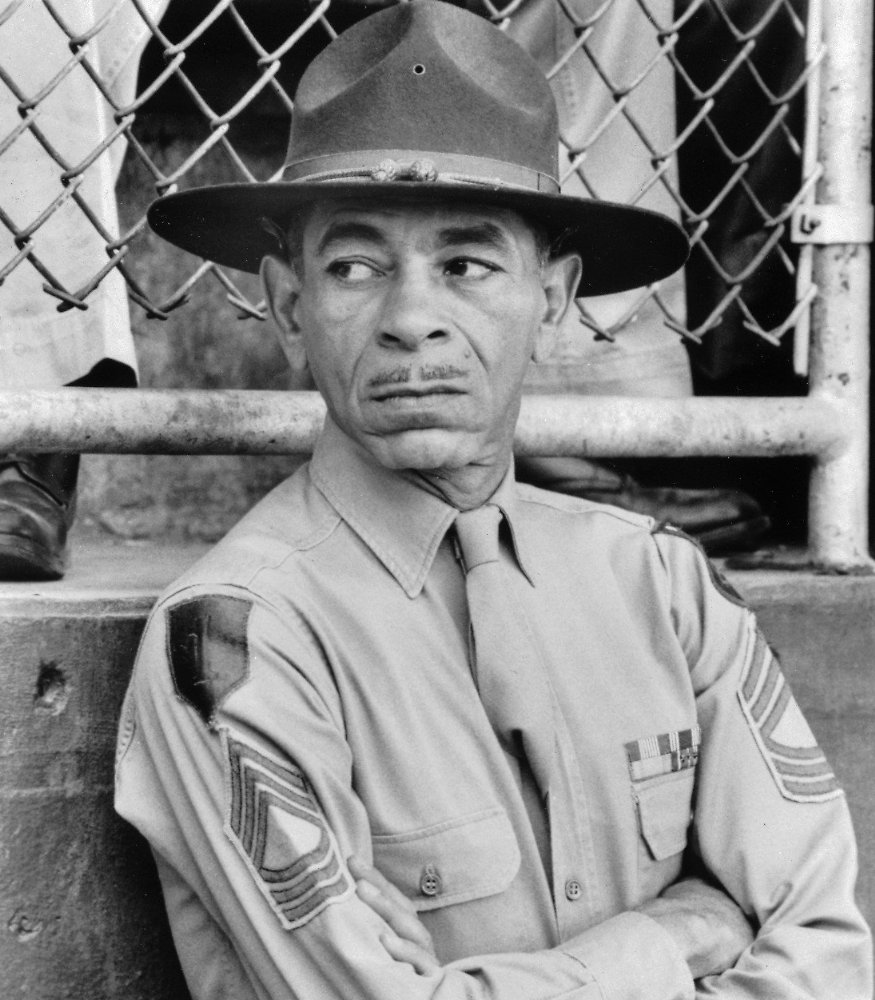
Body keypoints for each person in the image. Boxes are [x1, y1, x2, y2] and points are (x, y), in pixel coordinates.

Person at [114, 3, 872, 998]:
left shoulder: (663, 586)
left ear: (551, 301)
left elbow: (825, 954)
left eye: (465, 265)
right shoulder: (242, 644)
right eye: (354, 267)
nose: (411, 319)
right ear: (291, 306)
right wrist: (679, 934)